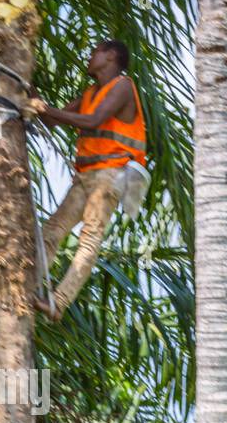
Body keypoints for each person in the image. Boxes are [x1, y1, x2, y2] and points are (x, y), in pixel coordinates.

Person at [30, 40, 150, 319]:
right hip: (85, 177)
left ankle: (58, 302)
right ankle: (29, 285)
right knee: (52, 231)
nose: (90, 56)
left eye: (95, 52)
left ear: (110, 56)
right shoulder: (91, 93)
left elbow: (93, 120)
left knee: (89, 240)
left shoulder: (122, 86)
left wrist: (43, 108)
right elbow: (51, 120)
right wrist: (29, 89)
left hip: (111, 176)